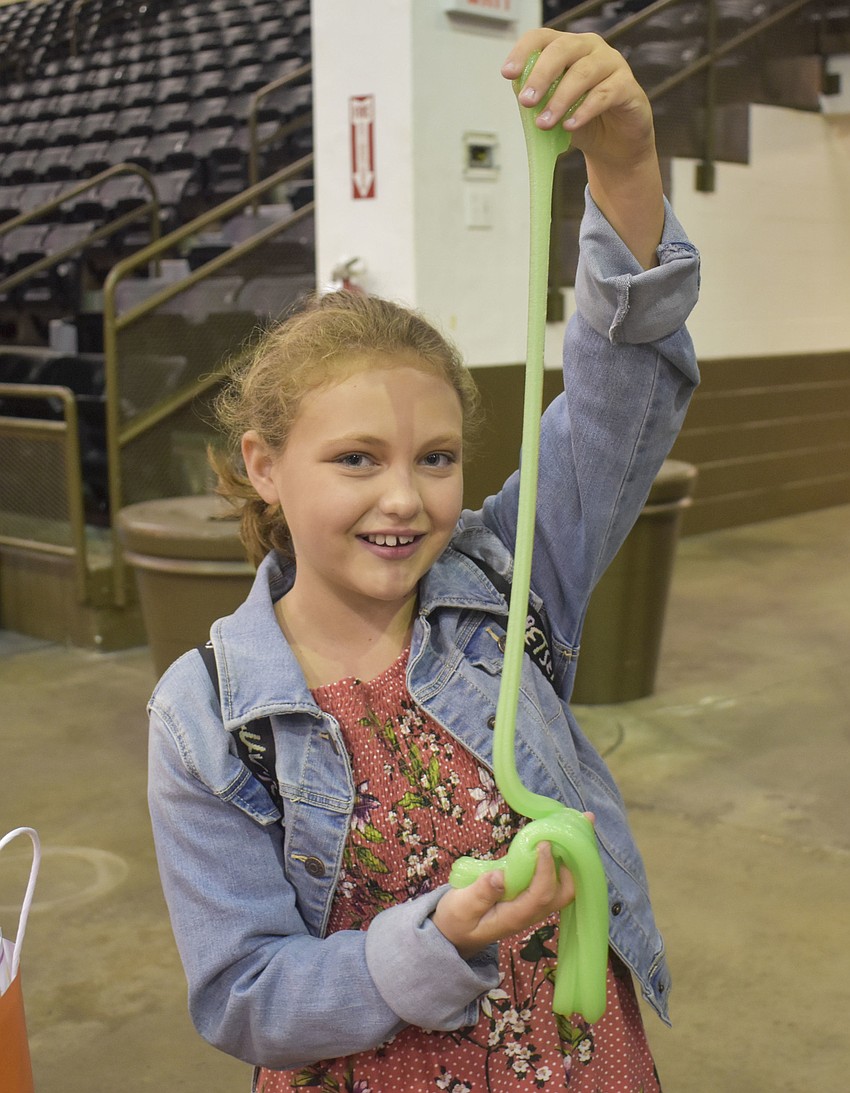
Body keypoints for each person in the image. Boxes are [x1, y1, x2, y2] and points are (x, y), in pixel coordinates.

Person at [147, 27, 700, 1093]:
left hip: (576, 1061)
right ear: (263, 464)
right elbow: (244, 993)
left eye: (436, 457)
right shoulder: (206, 717)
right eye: (356, 458)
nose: (405, 496)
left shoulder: (506, 581)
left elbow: (623, 392)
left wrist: (623, 165)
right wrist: (431, 942)